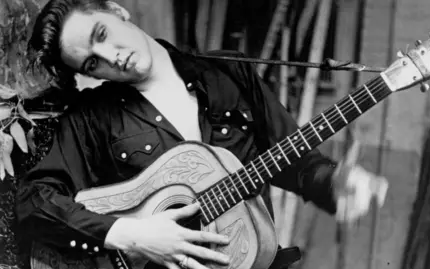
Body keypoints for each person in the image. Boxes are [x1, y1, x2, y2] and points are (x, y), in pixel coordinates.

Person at [16, 1, 388, 269]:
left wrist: (336, 182)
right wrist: (131, 236)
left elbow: (294, 161)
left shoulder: (227, 72)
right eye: (92, 63)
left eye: (102, 34)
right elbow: (34, 201)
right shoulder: (91, 118)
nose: (111, 56)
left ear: (117, 12)